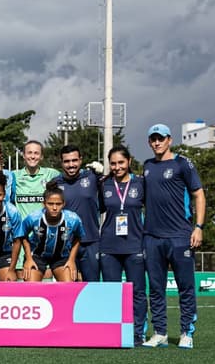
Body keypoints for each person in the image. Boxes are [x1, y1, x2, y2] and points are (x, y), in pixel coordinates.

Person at [141, 123, 205, 350]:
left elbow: (198, 194)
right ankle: (160, 333)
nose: (157, 142)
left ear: (169, 139)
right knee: (156, 288)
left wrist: (198, 226)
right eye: (153, 139)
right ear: (149, 142)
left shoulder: (182, 163)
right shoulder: (147, 166)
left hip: (180, 236)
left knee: (185, 287)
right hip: (151, 237)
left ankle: (187, 332)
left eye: (160, 138)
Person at [99, 146, 147, 346]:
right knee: (111, 292)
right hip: (109, 247)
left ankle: (138, 333)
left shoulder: (141, 183)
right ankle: (113, 332)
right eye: (113, 163)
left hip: (135, 245)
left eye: (121, 162)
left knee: (137, 292)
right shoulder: (104, 185)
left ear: (128, 161)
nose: (117, 167)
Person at [52, 144, 102, 281]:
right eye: (67, 161)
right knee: (68, 289)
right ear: (61, 163)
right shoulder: (55, 184)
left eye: (74, 160)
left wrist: (102, 174)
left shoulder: (93, 177)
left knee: (91, 287)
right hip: (65, 244)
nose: (71, 165)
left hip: (90, 242)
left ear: (80, 160)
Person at [13, 140, 61, 279]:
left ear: (41, 157)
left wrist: (90, 173)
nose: (33, 156)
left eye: (36, 153)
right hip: (22, 240)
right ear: (23, 155)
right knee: (24, 281)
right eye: (29, 153)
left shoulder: (51, 174)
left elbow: (71, 177)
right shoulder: (14, 176)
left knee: (46, 281)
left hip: (45, 239)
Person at [21, 186, 84, 283]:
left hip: (61, 256)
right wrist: (28, 258)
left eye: (58, 204)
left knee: (68, 287)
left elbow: (78, 237)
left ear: (64, 204)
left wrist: (71, 260)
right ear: (44, 204)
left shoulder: (73, 219)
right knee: (31, 287)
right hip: (37, 256)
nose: (54, 208)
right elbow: (22, 235)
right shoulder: (33, 218)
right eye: (50, 204)